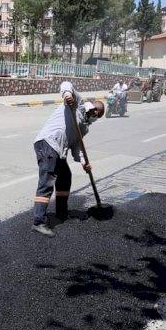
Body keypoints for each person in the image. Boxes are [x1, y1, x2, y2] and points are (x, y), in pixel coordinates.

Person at [31, 82, 105, 237]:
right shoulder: (77, 104)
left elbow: (77, 148)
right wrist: (67, 94)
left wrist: (84, 162)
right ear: (93, 108)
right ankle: (38, 222)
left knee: (65, 176)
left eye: (97, 117)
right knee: (47, 182)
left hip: (59, 151)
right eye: (96, 113)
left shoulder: (84, 127)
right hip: (48, 143)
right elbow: (66, 84)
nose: (95, 117)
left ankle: (62, 213)